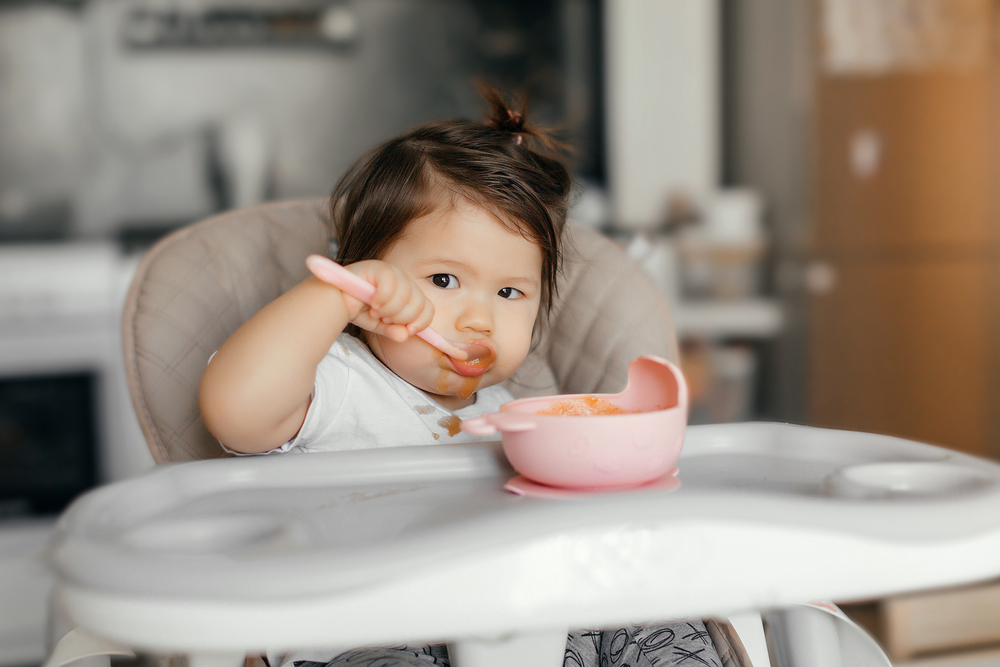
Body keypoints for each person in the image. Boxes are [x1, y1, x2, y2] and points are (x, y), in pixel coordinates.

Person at [199, 85, 722, 667]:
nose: (480, 319)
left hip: (512, 625)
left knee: (659, 612)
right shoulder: (334, 381)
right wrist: (333, 298)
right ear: (366, 278)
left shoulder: (511, 414)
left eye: (510, 292)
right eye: (444, 280)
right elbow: (235, 411)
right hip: (367, 635)